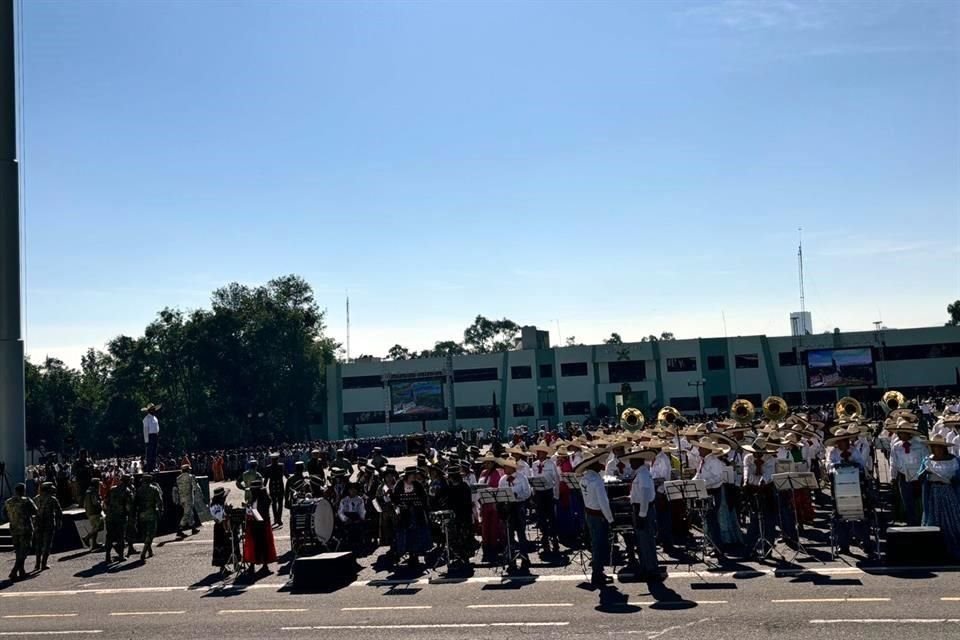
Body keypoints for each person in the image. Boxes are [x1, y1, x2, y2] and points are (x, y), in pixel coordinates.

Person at [577, 449, 614, 589]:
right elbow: (603, 502)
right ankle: (597, 574)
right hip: (598, 515)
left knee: (595, 543)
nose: (602, 465)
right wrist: (610, 519)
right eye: (599, 463)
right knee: (599, 544)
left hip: (589, 513)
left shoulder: (584, 479)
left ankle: (598, 572)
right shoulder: (597, 480)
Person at [919, 434, 960, 560]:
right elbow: (919, 477)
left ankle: (954, 547)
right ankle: (936, 549)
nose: (936, 449)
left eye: (939, 447)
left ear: (943, 448)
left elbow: (958, 477)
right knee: (934, 518)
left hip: (948, 492)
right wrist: (925, 472)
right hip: (933, 494)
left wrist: (952, 479)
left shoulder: (953, 460)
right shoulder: (927, 460)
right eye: (934, 447)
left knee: (951, 519)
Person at [623, 449, 660, 580]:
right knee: (643, 540)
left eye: (632, 461)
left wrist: (642, 514)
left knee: (645, 540)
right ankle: (648, 566)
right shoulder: (641, 473)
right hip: (641, 508)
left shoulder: (643, 474)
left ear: (638, 461)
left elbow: (644, 495)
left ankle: (649, 569)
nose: (630, 463)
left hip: (642, 509)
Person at [890, 421, 929, 526]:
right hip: (903, 477)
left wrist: (921, 476)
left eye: (901, 433)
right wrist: (893, 477)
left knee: (922, 502)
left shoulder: (920, 445)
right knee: (908, 502)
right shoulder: (896, 446)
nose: (898, 435)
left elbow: (926, 461)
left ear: (908, 433)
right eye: (898, 433)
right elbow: (893, 462)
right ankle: (912, 523)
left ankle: (924, 522)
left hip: (919, 478)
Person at [392, 467, 431, 567]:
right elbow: (395, 498)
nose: (415, 476)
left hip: (417, 514)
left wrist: (418, 504)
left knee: (417, 534)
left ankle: (415, 554)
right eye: (413, 474)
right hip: (404, 515)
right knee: (405, 534)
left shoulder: (418, 485)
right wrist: (400, 504)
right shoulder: (399, 485)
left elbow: (423, 497)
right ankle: (406, 553)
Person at [498, 457, 532, 570]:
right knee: (509, 534)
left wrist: (518, 496)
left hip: (519, 506)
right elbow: (499, 493)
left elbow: (527, 493)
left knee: (521, 533)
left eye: (506, 467)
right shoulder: (503, 480)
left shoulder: (522, 478)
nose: (504, 469)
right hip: (508, 508)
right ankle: (511, 559)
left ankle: (525, 558)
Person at [529, 444, 560, 554]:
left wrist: (556, 495)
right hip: (538, 493)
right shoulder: (534, 464)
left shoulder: (551, 464)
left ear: (546, 454)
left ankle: (554, 538)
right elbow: (532, 479)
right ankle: (545, 538)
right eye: (538, 452)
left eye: (541, 452)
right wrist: (533, 493)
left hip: (548, 491)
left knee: (551, 516)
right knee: (541, 517)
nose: (539, 454)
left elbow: (556, 479)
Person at [3, 483, 38, 580]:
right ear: (23, 490)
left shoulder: (8, 501)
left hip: (14, 529)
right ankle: (14, 570)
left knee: (18, 550)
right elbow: (35, 511)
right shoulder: (26, 500)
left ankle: (21, 571)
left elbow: (4, 515)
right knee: (26, 549)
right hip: (25, 528)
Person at [242, 480, 277, 573]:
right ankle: (260, 564)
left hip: (259, 524)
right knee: (260, 544)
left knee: (259, 545)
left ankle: (258, 564)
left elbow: (257, 513)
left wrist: (248, 509)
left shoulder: (261, 499)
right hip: (260, 524)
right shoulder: (262, 498)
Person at [209, 487, 240, 575]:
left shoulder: (220, 504)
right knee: (222, 547)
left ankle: (235, 563)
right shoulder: (216, 506)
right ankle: (222, 567)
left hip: (225, 526)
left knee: (233, 544)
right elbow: (221, 518)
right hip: (221, 528)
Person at [33, 482, 63, 572]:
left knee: (38, 544)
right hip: (48, 524)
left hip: (38, 524)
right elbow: (58, 511)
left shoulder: (35, 499)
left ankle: (37, 564)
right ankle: (43, 564)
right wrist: (59, 522)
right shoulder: (52, 499)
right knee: (47, 544)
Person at [104, 475, 134, 563]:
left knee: (109, 536)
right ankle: (121, 555)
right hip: (120, 517)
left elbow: (106, 502)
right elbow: (128, 506)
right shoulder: (127, 491)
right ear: (128, 481)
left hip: (110, 516)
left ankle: (107, 556)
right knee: (120, 536)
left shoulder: (112, 489)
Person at [134, 473, 164, 560]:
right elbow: (159, 501)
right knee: (151, 533)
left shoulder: (138, 490)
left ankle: (149, 550)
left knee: (145, 532)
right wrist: (161, 510)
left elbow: (135, 502)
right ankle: (144, 552)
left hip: (141, 513)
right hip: (151, 512)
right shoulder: (154, 489)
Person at [174, 464, 201, 536]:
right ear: (188, 470)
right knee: (187, 514)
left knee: (190, 513)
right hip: (188, 498)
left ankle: (193, 528)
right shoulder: (191, 477)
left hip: (181, 498)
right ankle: (180, 529)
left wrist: (176, 499)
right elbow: (195, 487)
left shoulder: (178, 478)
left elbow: (175, 489)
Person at [337, 483, 368, 548]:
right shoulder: (344, 500)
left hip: (356, 518)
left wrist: (360, 519)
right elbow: (340, 512)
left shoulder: (359, 500)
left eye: (354, 489)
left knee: (356, 529)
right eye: (351, 489)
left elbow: (362, 510)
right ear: (348, 490)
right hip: (346, 518)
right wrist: (345, 519)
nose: (353, 491)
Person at [82, 478, 104, 549]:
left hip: (89, 511)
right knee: (99, 527)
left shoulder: (88, 491)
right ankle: (86, 538)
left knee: (95, 527)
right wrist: (100, 504)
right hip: (94, 511)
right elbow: (95, 502)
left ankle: (94, 544)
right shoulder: (93, 491)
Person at [266, 453, 286, 527]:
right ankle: (279, 519)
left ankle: (275, 518)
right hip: (280, 485)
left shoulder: (268, 467)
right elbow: (286, 474)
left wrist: (264, 487)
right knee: (280, 503)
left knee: (274, 503)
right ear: (278, 459)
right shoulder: (281, 466)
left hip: (272, 486)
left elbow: (266, 478)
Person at [142, 403, 161, 472]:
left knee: (154, 453)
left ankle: (153, 467)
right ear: (149, 410)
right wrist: (146, 440)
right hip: (150, 436)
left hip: (155, 435)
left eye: (154, 409)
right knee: (149, 453)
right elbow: (145, 430)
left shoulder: (155, 418)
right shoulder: (146, 419)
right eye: (152, 409)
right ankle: (149, 468)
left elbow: (157, 428)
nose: (153, 410)